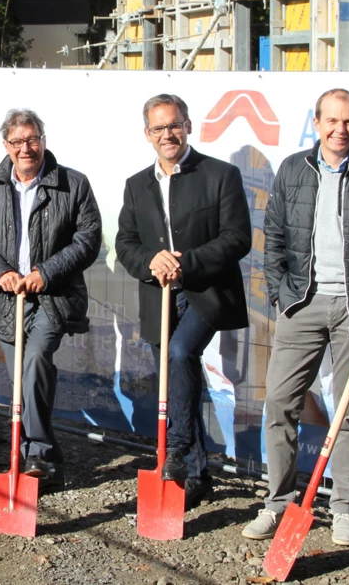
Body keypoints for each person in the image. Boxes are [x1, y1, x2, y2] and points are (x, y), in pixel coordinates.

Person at [247, 89, 349, 546]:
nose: (341, 130)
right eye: (332, 121)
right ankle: (277, 503)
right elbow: (274, 236)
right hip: (302, 303)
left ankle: (344, 510)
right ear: (316, 123)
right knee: (279, 403)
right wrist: (280, 294)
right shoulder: (294, 169)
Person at [116, 93, 252, 508]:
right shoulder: (137, 184)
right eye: (158, 128)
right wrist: (150, 261)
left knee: (179, 354)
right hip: (158, 297)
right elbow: (126, 242)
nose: (167, 134)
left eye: (174, 125)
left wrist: (186, 263)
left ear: (188, 126)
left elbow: (237, 238)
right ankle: (195, 473)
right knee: (175, 378)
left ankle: (175, 451)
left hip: (205, 293)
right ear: (147, 135)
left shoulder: (220, 175)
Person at [0, 109, 102, 489]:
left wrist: (47, 272)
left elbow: (88, 239)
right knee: (18, 381)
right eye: (17, 141)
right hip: (8, 300)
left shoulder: (73, 184)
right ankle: (41, 459)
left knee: (37, 360)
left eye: (33, 139)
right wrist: (0, 274)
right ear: (6, 146)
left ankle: (36, 450)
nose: (26, 148)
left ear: (44, 139)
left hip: (52, 298)